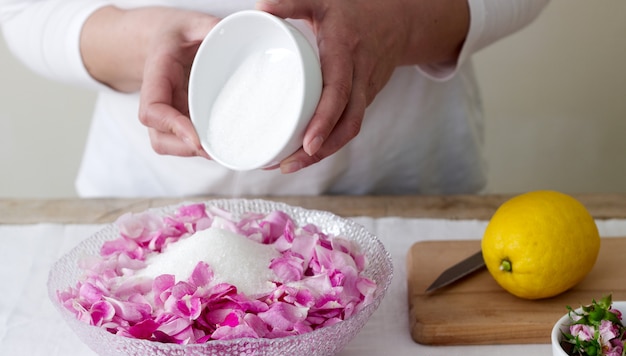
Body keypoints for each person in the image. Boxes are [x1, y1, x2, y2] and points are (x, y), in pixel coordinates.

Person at [0, 0, 549, 197]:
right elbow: (22, 11)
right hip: (151, 199)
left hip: (401, 191)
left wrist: (399, 22)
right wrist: (145, 42)